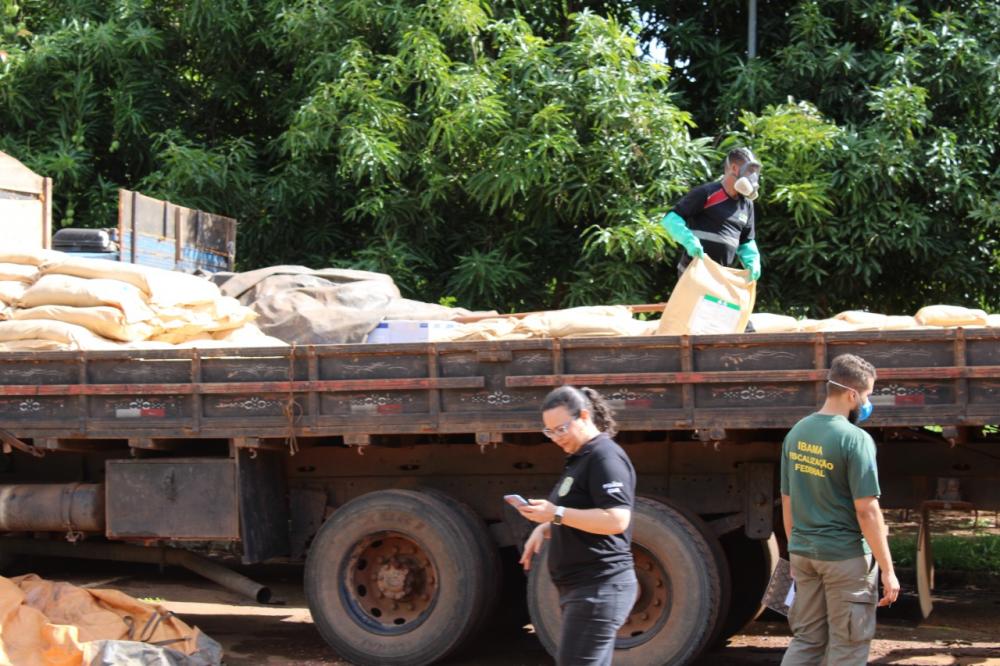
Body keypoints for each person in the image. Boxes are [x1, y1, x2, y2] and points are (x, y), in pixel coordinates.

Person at [780, 353, 901, 666]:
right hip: (844, 557)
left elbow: (788, 499)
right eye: (867, 395)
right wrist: (888, 570)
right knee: (848, 647)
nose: (867, 402)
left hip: (804, 554)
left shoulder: (796, 433)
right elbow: (867, 511)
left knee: (807, 640)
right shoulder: (855, 439)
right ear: (851, 394)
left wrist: (795, 548)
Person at [517, 386, 638, 666]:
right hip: (584, 589)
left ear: (584, 416)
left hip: (599, 587)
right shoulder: (581, 457)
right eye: (550, 432)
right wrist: (545, 526)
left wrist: (556, 514)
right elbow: (582, 512)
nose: (557, 438)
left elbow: (617, 519)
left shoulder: (604, 457)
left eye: (561, 429)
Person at [660, 147, 763, 281]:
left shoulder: (747, 205)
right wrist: (689, 241)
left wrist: (753, 262)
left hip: (719, 277)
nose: (752, 177)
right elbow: (671, 219)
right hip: (693, 272)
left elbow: (746, 241)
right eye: (749, 171)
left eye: (754, 172)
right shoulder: (707, 193)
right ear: (734, 168)